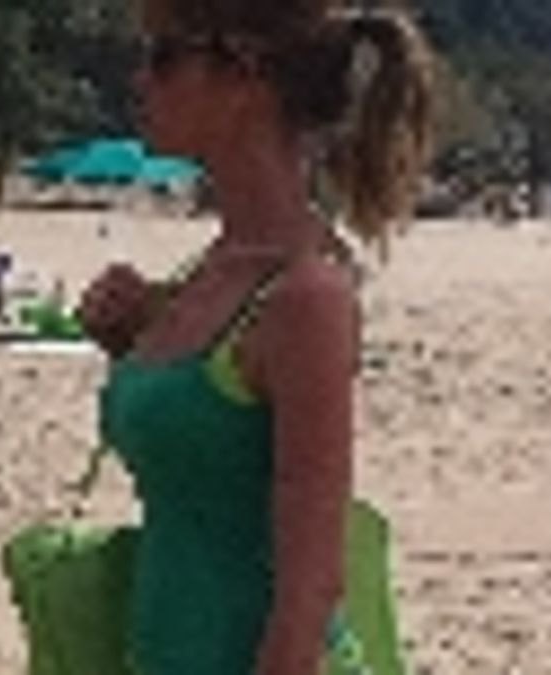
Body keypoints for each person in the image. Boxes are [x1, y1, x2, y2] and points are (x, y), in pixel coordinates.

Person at [80, 1, 433, 673]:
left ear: (244, 76)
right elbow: (209, 470)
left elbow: (310, 589)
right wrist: (131, 344)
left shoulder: (305, 296)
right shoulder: (211, 274)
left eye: (164, 57)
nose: (141, 80)